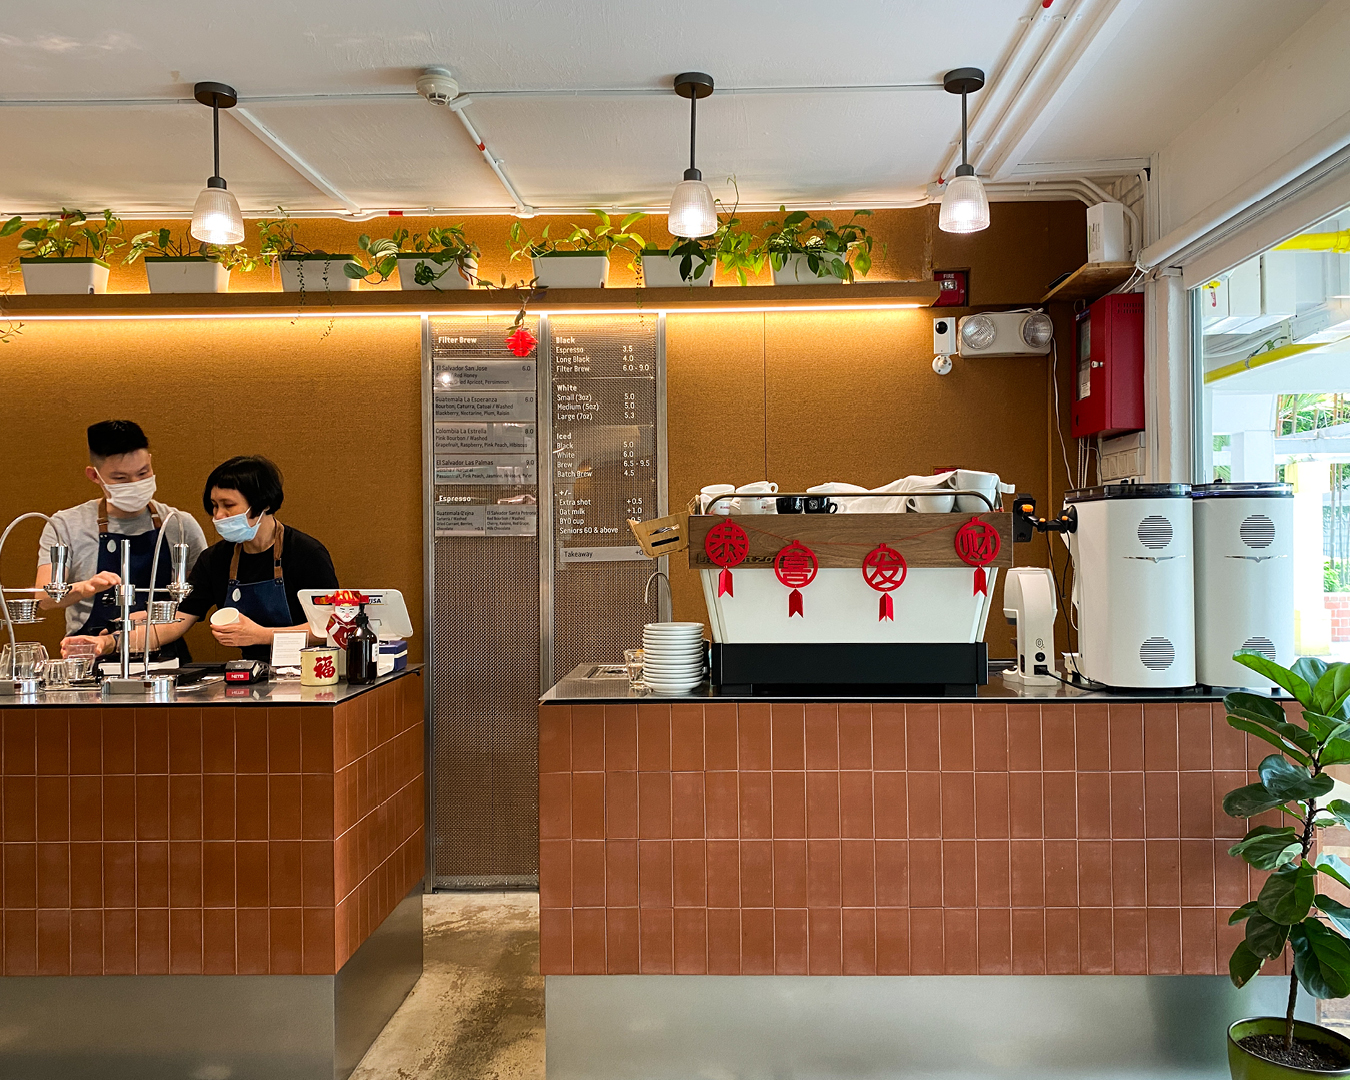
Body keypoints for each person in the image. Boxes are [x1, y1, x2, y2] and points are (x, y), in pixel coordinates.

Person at [94, 455, 340, 661]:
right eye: (214, 505)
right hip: (253, 675)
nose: (218, 516)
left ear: (262, 504)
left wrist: (262, 635)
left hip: (312, 673)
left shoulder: (306, 554)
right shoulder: (215, 560)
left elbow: (330, 627)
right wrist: (108, 642)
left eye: (228, 505)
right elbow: (176, 621)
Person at [41, 420, 208, 663]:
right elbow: (44, 599)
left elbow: (198, 599)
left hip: (165, 660)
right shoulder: (65, 525)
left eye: (143, 473)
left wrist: (157, 616)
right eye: (120, 478)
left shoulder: (180, 525)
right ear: (94, 476)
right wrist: (85, 588)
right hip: (88, 656)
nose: (135, 485)